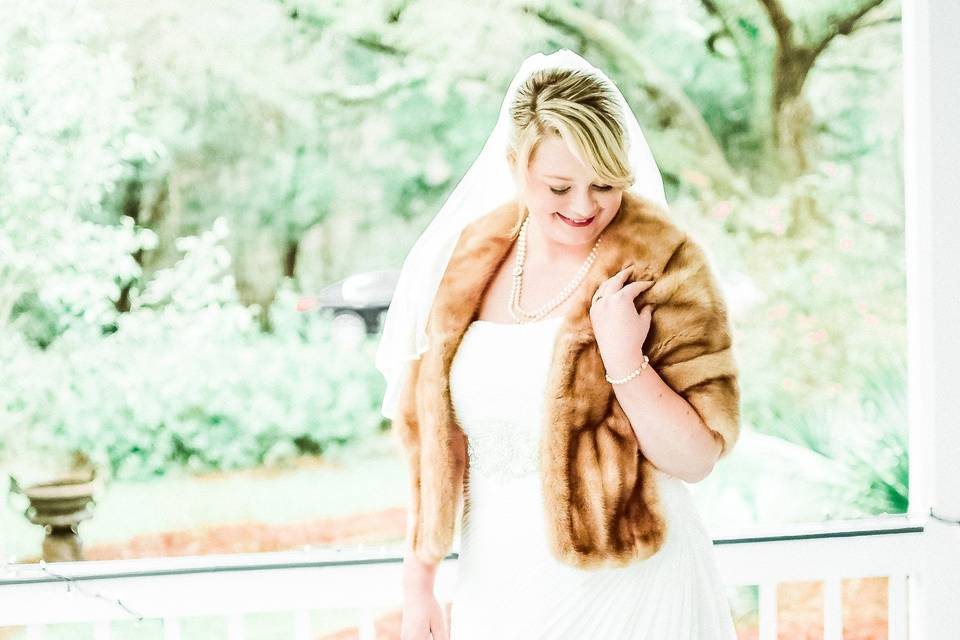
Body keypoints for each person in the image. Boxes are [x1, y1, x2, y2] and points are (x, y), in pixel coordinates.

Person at [377, 49, 740, 640]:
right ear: (515, 165)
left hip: (634, 583)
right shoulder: (465, 267)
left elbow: (695, 460)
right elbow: (437, 444)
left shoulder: (663, 265)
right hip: (498, 585)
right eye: (559, 185)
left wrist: (626, 362)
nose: (583, 207)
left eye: (603, 184)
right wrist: (418, 584)